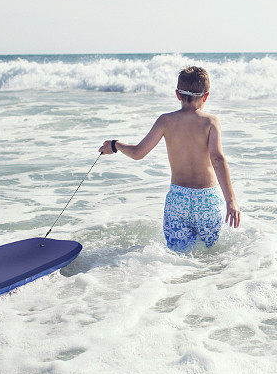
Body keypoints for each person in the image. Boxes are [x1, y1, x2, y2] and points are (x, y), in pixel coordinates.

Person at [99, 66, 240, 251]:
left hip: (178, 199)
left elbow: (138, 152)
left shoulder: (165, 121)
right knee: (210, 255)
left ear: (177, 95)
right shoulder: (210, 122)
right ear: (206, 96)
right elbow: (218, 159)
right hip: (207, 200)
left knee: (177, 257)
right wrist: (231, 201)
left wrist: (115, 145)